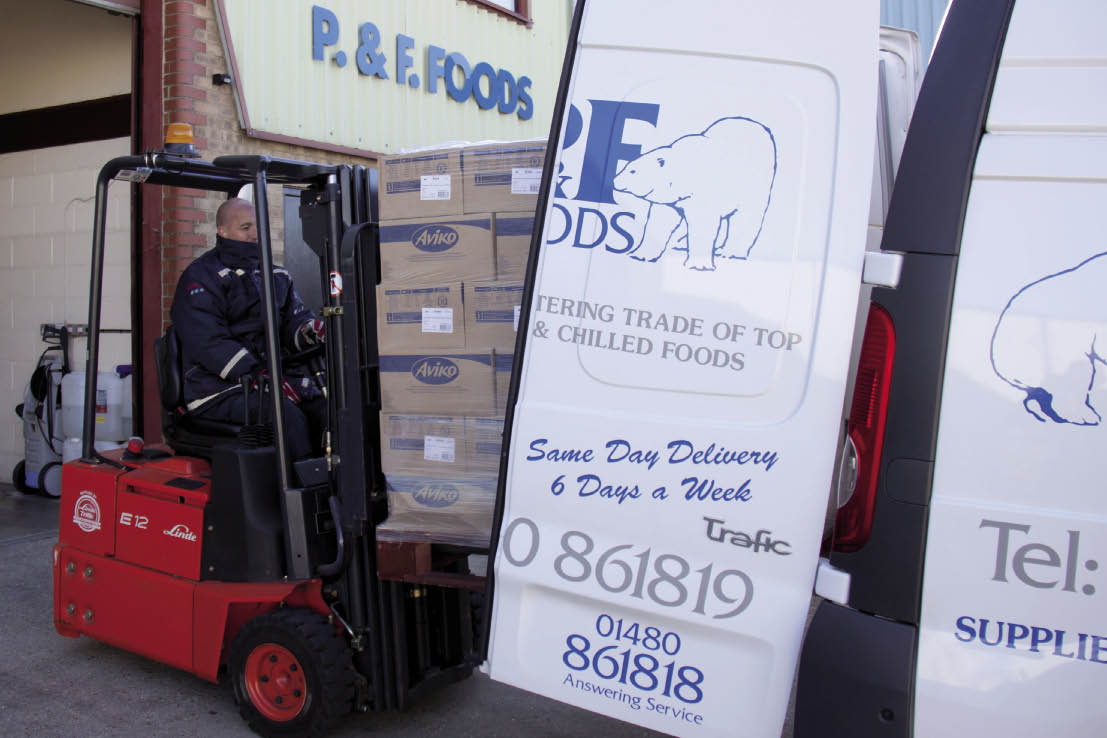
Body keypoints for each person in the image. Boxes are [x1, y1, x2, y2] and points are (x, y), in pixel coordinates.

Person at [169, 197, 326, 460]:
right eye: (245, 227)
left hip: (268, 381)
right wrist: (259, 376)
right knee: (286, 417)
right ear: (223, 231)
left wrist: (313, 330)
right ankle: (298, 496)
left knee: (328, 409)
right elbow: (209, 342)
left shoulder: (276, 276)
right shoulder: (200, 278)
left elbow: (293, 321)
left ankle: (330, 486)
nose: (255, 233)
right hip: (216, 388)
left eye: (258, 226)